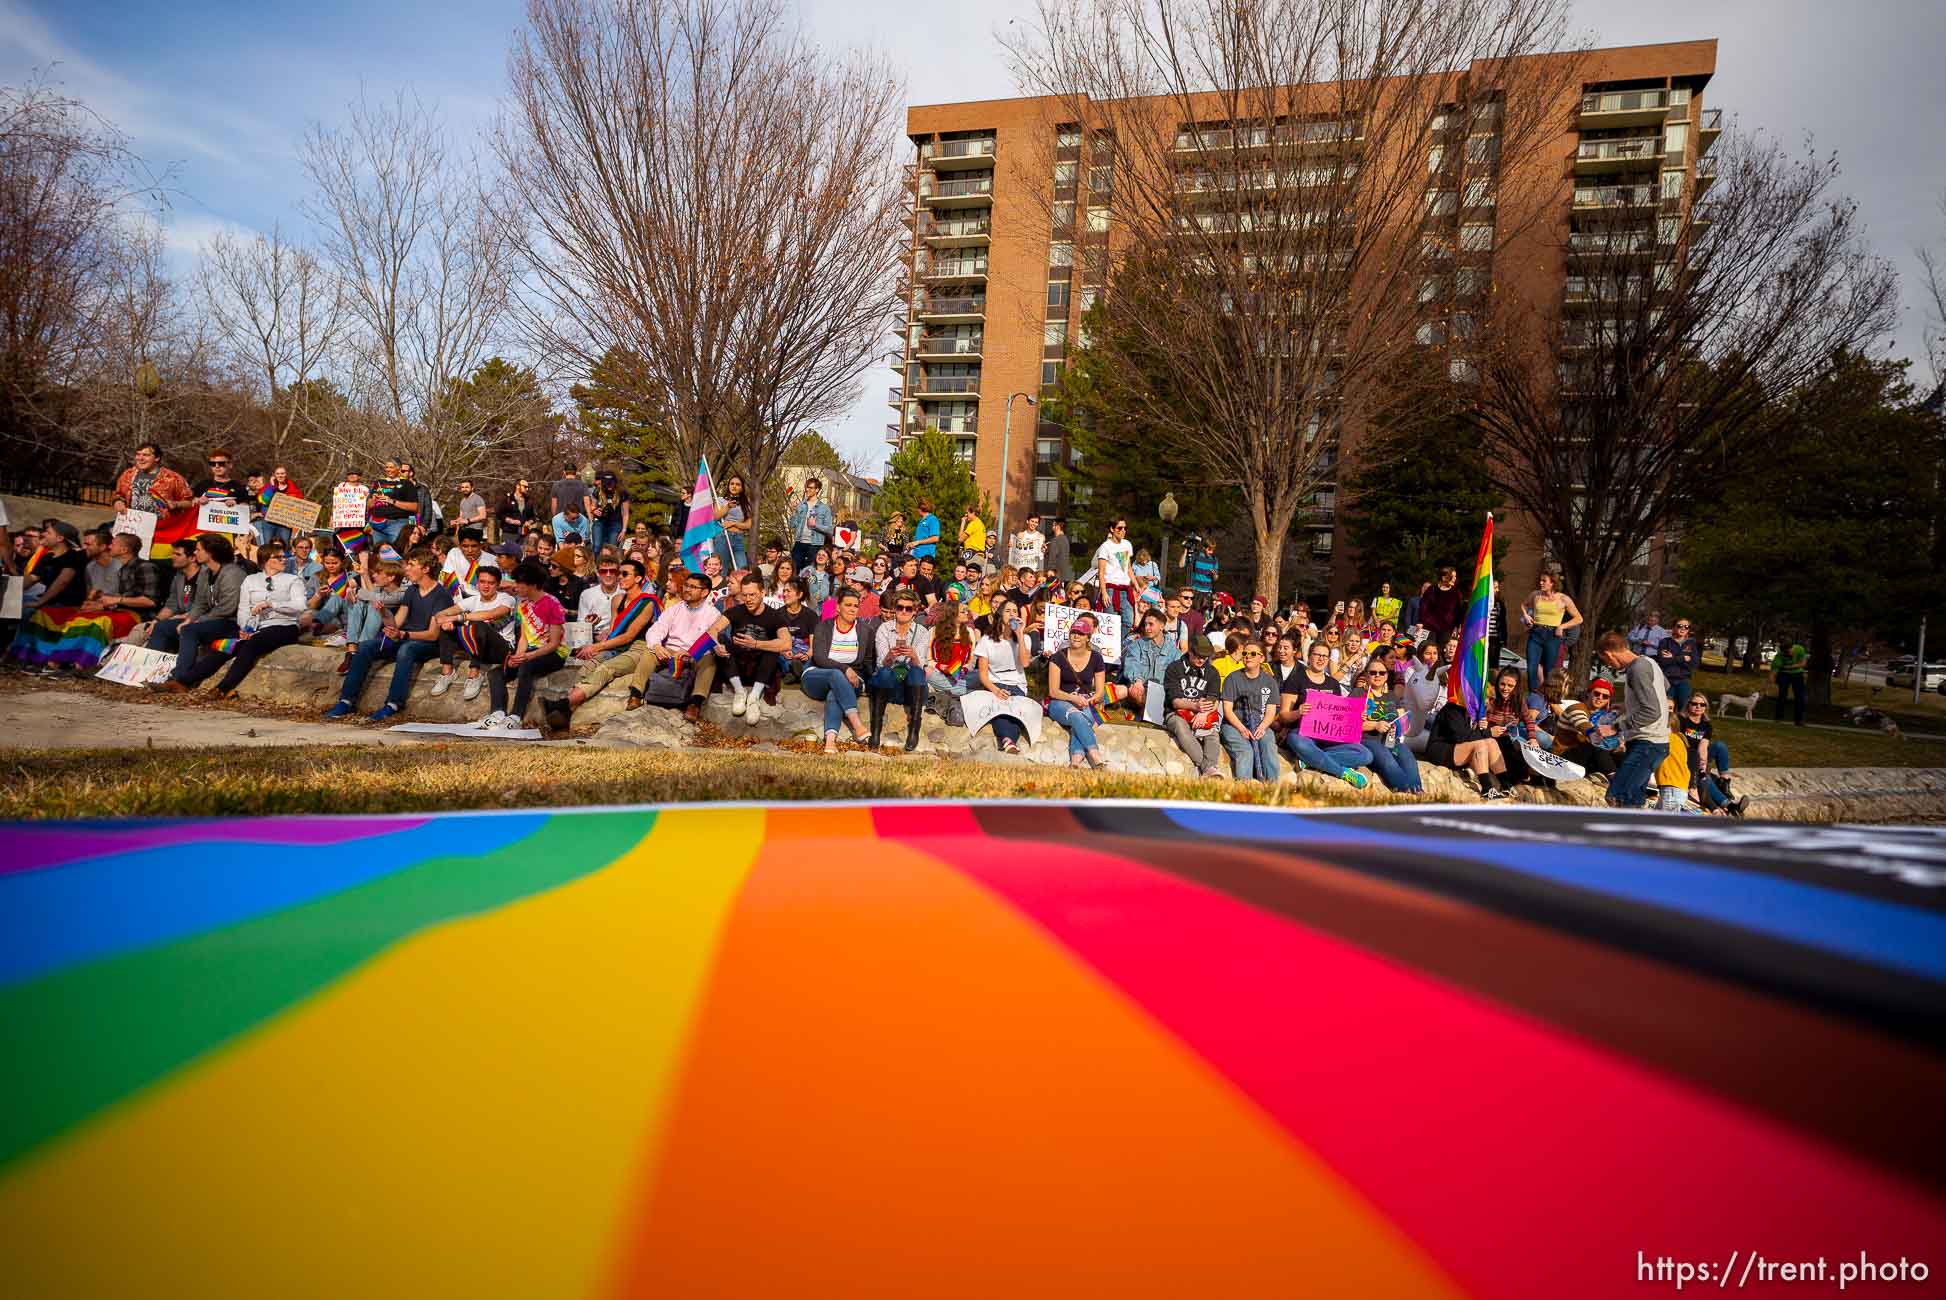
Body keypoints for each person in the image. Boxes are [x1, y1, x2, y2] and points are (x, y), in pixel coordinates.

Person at [325, 549, 455, 723]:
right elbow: (396, 622)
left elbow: (432, 635)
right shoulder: (412, 591)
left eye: (411, 565)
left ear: (425, 569)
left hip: (426, 643)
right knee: (365, 647)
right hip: (405, 637)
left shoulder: (441, 595)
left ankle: (394, 703)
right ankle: (346, 700)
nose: (406, 569)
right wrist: (384, 613)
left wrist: (403, 634)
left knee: (406, 650)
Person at [163, 547, 309, 696]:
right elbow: (244, 608)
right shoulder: (251, 580)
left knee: (251, 644)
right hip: (256, 627)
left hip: (284, 625)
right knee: (226, 646)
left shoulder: (293, 580)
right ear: (265, 560)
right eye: (278, 557)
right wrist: (245, 627)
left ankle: (223, 688)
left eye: (284, 557)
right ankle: (183, 682)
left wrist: (272, 604)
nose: (283, 560)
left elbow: (300, 606)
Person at [459, 560, 570, 733]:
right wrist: (517, 656)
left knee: (526, 666)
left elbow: (554, 643)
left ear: (532, 584)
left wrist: (526, 657)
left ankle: (516, 715)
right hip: (530, 652)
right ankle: (497, 713)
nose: (516, 586)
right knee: (496, 672)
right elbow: (524, 637)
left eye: (520, 583)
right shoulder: (523, 604)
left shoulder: (552, 603)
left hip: (554, 654)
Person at [619, 571, 731, 719]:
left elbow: (710, 639)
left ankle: (695, 704)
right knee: (650, 652)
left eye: (693, 587)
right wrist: (658, 646)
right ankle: (636, 694)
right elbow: (657, 628)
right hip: (670, 650)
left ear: (704, 592)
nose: (687, 589)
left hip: (696, 654)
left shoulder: (713, 613)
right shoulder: (675, 609)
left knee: (709, 660)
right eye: (686, 585)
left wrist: (690, 652)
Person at [1277, 639, 1370, 789]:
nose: (1321, 659)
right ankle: (1343, 772)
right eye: (1317, 655)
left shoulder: (1333, 683)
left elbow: (1339, 715)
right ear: (1309, 656)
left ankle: (1310, 760)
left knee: (1365, 754)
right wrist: (1298, 712)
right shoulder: (1295, 680)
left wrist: (1357, 717)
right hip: (1302, 733)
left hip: (1328, 736)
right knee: (1297, 741)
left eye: (1325, 656)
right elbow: (1283, 715)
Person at [1597, 630, 1671, 809]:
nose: (1610, 665)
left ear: (1609, 653)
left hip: (1648, 743)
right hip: (1653, 743)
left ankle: (1623, 835)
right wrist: (1628, 705)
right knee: (1633, 799)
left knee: (1617, 796)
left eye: (1607, 661)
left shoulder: (1637, 669)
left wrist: (1616, 728)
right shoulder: (1649, 662)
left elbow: (1652, 711)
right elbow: (1664, 687)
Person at [707, 575, 790, 725]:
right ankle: (740, 692)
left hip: (761, 668)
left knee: (772, 649)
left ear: (763, 593)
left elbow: (786, 644)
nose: (748, 599)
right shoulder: (735, 611)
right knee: (722, 643)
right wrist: (715, 646)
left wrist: (757, 644)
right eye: (745, 595)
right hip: (737, 668)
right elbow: (712, 630)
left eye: (752, 595)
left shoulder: (775, 615)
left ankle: (754, 697)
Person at [428, 564, 519, 700]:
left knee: (478, 624)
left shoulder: (507, 599)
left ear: (498, 584)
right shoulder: (472, 600)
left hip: (501, 649)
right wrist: (444, 619)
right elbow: (442, 613)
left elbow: (490, 614)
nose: (486, 586)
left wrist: (458, 617)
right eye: (482, 582)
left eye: (491, 583)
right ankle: (447, 672)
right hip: (477, 647)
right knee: (449, 625)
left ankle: (475, 674)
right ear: (477, 583)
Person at [802, 587, 877, 750]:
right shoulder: (823, 627)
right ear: (838, 607)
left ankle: (830, 741)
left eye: (855, 606)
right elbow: (820, 658)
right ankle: (857, 724)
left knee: (834, 693)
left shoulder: (866, 631)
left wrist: (870, 684)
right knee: (836, 674)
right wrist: (845, 669)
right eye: (848, 605)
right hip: (817, 676)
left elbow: (868, 662)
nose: (852, 609)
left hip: (851, 680)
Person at [159, 535, 244, 679]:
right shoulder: (206, 572)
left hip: (231, 622)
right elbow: (200, 602)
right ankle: (151, 670)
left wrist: (199, 621)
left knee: (189, 630)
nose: (195, 553)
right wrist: (190, 618)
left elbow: (228, 607)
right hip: (214, 619)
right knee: (163, 627)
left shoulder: (232, 573)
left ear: (210, 552)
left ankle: (179, 677)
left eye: (198, 550)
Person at [869, 590, 932, 751]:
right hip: (888, 681)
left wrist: (914, 656)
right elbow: (880, 664)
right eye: (900, 607)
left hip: (911, 686)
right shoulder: (884, 629)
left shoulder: (922, 632)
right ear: (895, 609)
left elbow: (921, 665)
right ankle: (875, 730)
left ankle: (914, 729)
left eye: (908, 608)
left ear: (915, 611)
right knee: (884, 672)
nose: (903, 611)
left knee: (917, 671)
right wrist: (890, 656)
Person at [1046, 616, 1110, 770]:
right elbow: (1053, 691)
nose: (1076, 636)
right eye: (1073, 632)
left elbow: (1100, 692)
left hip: (1086, 702)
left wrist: (1090, 700)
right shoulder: (1058, 657)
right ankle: (1096, 758)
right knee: (1076, 715)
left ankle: (1075, 760)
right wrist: (1073, 698)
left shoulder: (1096, 658)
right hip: (1060, 702)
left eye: (1080, 633)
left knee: (1080, 718)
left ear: (1088, 637)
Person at [1219, 639, 1283, 784]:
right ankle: (1244, 788)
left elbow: (1270, 710)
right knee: (1245, 751)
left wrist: (1263, 727)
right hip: (1234, 725)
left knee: (1268, 745)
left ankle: (1273, 787)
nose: (1248, 656)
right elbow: (1227, 710)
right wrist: (1241, 728)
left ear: (1262, 658)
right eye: (1245, 653)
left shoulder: (1269, 681)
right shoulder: (1232, 678)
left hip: (1260, 724)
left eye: (1253, 654)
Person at [973, 600, 1033, 754]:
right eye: (1008, 611)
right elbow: (983, 674)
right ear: (1000, 614)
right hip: (995, 683)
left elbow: (1025, 663)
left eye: (1015, 611)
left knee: (1017, 711)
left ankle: (1006, 740)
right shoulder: (987, 640)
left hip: (1017, 684)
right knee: (999, 709)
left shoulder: (1025, 639)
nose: (1012, 614)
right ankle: (1008, 740)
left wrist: (1020, 634)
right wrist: (995, 690)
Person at [1162, 634, 1224, 777]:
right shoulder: (1174, 668)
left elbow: (1214, 700)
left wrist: (1203, 714)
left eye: (1205, 656)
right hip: (1176, 713)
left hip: (1203, 713)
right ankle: (1208, 768)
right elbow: (1175, 701)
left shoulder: (1212, 672)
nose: (1202, 659)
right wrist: (1195, 706)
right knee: (1180, 726)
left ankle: (1209, 770)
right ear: (1190, 651)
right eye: (1198, 655)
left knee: (1212, 731)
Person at [1356, 660, 1423, 793]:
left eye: (1382, 673)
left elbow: (1402, 721)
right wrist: (1375, 725)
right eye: (1373, 672)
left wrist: (1397, 727)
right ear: (1366, 675)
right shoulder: (1358, 694)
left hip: (1391, 740)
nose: (1377, 675)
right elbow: (1349, 724)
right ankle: (1404, 790)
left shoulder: (1391, 696)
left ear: (1387, 676)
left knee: (1408, 758)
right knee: (1387, 760)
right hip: (1367, 739)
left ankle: (1417, 790)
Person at [1678, 691, 1749, 816]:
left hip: (1699, 755)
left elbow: (1703, 745)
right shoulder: (1681, 720)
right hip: (1685, 756)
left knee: (1720, 746)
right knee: (1704, 776)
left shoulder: (1706, 725)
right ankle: (1730, 806)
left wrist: (1703, 762)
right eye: (1694, 703)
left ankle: (1724, 783)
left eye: (1702, 704)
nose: (1698, 706)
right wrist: (1701, 769)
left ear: (1706, 707)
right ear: (1688, 705)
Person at [1425, 699, 1512, 798]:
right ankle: (1487, 789)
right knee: (1480, 744)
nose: (1487, 703)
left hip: (1458, 749)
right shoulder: (1452, 710)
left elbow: (1471, 735)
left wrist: (1481, 728)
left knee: (1492, 742)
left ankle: (1506, 785)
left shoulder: (1473, 712)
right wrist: (1488, 732)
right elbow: (1461, 736)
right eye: (1485, 699)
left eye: (1489, 700)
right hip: (1440, 750)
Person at [1522, 571, 1583, 691]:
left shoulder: (1563, 599)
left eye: (1544, 580)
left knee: (1549, 670)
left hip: (1552, 636)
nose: (1541, 583)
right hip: (1536, 633)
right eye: (1540, 580)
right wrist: (1526, 616)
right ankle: (1533, 695)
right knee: (1531, 667)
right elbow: (1524, 605)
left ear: (1552, 583)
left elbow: (1579, 618)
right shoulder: (1535, 595)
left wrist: (1562, 627)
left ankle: (1547, 697)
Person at [1120, 609, 1181, 717]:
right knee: (1127, 690)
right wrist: (1137, 680)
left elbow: (1177, 676)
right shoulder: (1137, 645)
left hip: (1161, 691)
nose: (1147, 628)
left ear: (1162, 626)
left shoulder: (1174, 652)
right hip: (1140, 687)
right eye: (1145, 624)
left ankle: (1142, 712)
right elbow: (1131, 664)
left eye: (1151, 624)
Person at [926, 600, 976, 725]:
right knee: (928, 674)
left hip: (963, 675)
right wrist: (940, 666)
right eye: (963, 611)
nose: (967, 613)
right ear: (953, 614)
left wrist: (963, 670)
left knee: (982, 675)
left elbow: (971, 660)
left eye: (967, 610)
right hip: (940, 673)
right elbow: (927, 658)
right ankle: (970, 693)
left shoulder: (970, 632)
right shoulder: (934, 631)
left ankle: (950, 690)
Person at [786, 477, 835, 573]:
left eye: (811, 488)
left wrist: (815, 525)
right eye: (807, 487)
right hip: (799, 542)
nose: (807, 490)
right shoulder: (801, 505)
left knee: (809, 572)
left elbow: (829, 529)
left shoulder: (824, 508)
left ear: (817, 490)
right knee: (794, 570)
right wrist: (793, 512)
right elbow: (792, 525)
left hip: (815, 544)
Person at [1655, 617, 1702, 711]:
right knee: (1665, 709)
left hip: (1684, 680)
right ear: (1674, 627)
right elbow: (1663, 661)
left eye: (1686, 626)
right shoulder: (1665, 642)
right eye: (1680, 626)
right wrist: (1683, 658)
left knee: (1683, 710)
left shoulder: (1691, 644)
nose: (1683, 628)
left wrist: (1673, 658)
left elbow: (1694, 664)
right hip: (1667, 680)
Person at [1418, 567, 1464, 649]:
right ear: (1444, 577)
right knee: (1429, 648)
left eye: (1455, 576)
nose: (1454, 579)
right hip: (1430, 627)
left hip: (1447, 629)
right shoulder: (1432, 589)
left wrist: (1458, 626)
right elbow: (1423, 607)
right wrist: (1421, 621)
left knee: (1442, 650)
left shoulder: (1456, 592)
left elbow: (1459, 611)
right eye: (1452, 576)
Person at [589, 470, 629, 554]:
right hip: (599, 521)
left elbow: (625, 513)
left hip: (615, 523)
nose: (609, 486)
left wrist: (624, 530)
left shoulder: (622, 493)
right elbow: (592, 506)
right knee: (597, 546)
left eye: (611, 483)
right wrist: (594, 510)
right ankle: (595, 565)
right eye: (607, 484)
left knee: (612, 548)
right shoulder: (597, 491)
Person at [1772, 640, 1808, 726]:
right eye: (1785, 653)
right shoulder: (1780, 655)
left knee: (1800, 697)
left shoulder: (1800, 649)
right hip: (1784, 674)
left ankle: (1799, 720)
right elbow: (1775, 669)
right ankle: (1778, 718)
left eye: (1788, 652)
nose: (1787, 654)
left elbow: (1803, 663)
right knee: (1782, 695)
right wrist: (1772, 680)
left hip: (1797, 674)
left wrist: (1789, 666)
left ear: (1792, 647)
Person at [1186, 538, 1219, 607]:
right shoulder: (1196, 556)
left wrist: (1215, 575)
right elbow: (1182, 564)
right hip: (1195, 589)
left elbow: (1215, 578)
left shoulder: (1214, 560)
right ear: (1204, 548)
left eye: (1213, 550)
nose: (1211, 552)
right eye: (1209, 550)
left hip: (1207, 591)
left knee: (1204, 613)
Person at [1045, 518, 1072, 584]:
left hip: (1055, 575)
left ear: (1057, 527)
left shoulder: (1055, 540)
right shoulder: (1066, 539)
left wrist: (1050, 570)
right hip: (1063, 575)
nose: (1052, 527)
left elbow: (1052, 557)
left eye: (1053, 525)